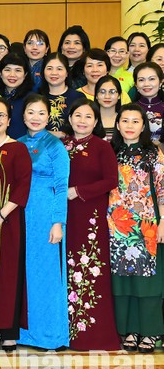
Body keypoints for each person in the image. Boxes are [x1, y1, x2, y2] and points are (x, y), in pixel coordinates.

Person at [61, 98, 120, 351]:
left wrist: (78, 191)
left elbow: (111, 180)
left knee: (89, 269)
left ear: (96, 121)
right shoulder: (61, 145)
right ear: (70, 118)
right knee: (64, 268)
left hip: (90, 217)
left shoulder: (101, 147)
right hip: (63, 216)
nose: (82, 121)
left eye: (88, 116)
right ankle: (62, 332)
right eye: (77, 115)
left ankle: (91, 335)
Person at [108, 104, 164, 353]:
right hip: (115, 226)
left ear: (143, 126)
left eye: (135, 121)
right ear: (117, 125)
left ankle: (150, 332)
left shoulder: (153, 154)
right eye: (125, 121)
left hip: (146, 225)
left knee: (147, 281)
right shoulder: (110, 152)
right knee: (122, 281)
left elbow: (162, 190)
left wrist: (163, 222)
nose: (129, 126)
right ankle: (128, 330)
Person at [0, 97, 32, 351]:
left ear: (9, 121)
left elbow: (23, 186)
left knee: (9, 274)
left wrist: (2, 214)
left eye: (1, 115)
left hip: (9, 221)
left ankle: (9, 331)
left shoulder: (18, 149)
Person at [17, 94, 70, 350]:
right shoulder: (17, 144)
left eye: (41, 113)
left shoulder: (55, 146)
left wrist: (58, 221)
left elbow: (62, 187)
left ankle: (49, 334)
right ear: (23, 115)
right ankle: (23, 333)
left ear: (48, 117)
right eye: (31, 112)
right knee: (23, 273)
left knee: (46, 273)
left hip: (46, 214)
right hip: (21, 213)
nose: (35, 117)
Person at [133, 62, 164, 145]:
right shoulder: (129, 110)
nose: (146, 84)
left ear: (161, 82)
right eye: (141, 80)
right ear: (136, 84)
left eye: (152, 79)